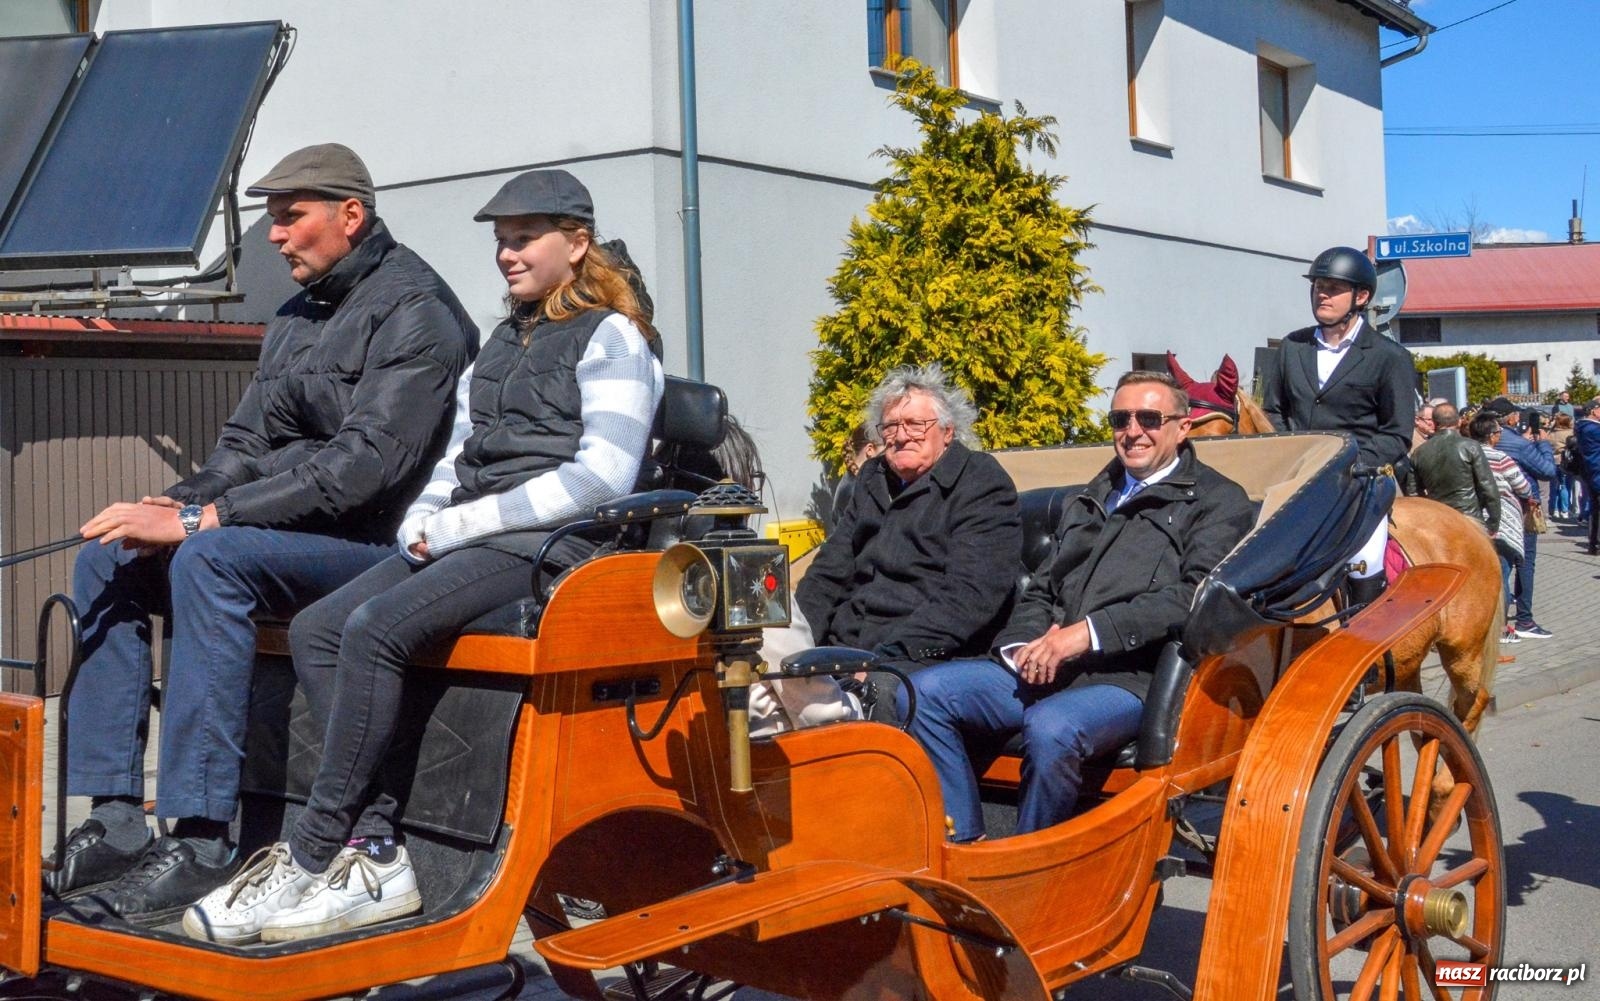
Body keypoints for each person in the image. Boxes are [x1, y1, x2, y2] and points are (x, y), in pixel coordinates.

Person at [182, 169, 664, 943]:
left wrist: (464, 524)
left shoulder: (613, 337)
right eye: (501, 242)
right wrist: (426, 515)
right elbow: (459, 451)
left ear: (576, 244)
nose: (507, 255)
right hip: (473, 531)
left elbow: (601, 475)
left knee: (373, 629)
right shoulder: (506, 336)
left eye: (524, 239)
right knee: (316, 629)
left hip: (549, 547)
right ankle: (373, 847)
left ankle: (313, 852)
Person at [53, 144, 479, 924]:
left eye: (291, 217)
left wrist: (199, 520)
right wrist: (173, 501)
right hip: (287, 534)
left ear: (350, 216)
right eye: (273, 219)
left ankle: (203, 836)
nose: (276, 236)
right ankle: (114, 817)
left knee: (211, 556)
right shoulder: (295, 316)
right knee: (107, 555)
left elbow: (367, 470)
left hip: (377, 547)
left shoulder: (420, 312)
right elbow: (242, 450)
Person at [904, 371, 1254, 841]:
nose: (1133, 431)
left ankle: (1032, 861)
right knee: (922, 692)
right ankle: (966, 844)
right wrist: (1021, 647)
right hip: (1052, 665)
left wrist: (1084, 634)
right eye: (1120, 418)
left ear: (1182, 426)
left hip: (1134, 677)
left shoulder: (1217, 501)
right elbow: (1042, 589)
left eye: (1150, 418)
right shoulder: (1091, 497)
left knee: (1052, 726)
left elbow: (1190, 595)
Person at [794, 364, 1021, 725]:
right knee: (766, 673)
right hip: (848, 648)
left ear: (947, 431)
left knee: (880, 696)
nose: (901, 436)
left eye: (915, 424)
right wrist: (798, 643)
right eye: (890, 427)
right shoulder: (872, 478)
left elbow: (969, 598)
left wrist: (885, 660)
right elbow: (827, 573)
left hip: (923, 656)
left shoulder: (980, 482)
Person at [1260, 246, 1416, 608]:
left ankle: (1366, 647)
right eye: (1318, 286)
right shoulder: (1291, 347)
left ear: (1361, 296)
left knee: (1365, 563)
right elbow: (1273, 410)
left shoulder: (1388, 357)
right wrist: (1293, 455)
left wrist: (1344, 465)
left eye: (1333, 288)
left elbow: (1396, 433)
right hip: (1296, 479)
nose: (1322, 294)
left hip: (1358, 485)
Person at [1482, 398, 1556, 638]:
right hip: (1519, 508)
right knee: (1523, 563)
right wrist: (1543, 444)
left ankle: (1497, 621)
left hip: (1485, 510)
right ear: (1510, 418)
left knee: (1498, 566)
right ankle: (1524, 619)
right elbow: (1547, 470)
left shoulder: (1473, 442)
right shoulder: (1516, 444)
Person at [1466, 413, 1531, 645]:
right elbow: (1523, 487)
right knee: (1500, 573)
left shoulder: (1465, 455)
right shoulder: (1500, 457)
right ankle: (1500, 628)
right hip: (1499, 523)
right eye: (1498, 433)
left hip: (1470, 520)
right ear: (1492, 436)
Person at [1405, 403, 1499, 535]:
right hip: (1469, 519)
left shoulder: (1419, 452)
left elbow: (1413, 495)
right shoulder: (1470, 446)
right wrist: (1493, 523)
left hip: (1438, 520)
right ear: (1459, 421)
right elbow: (1488, 487)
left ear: (1435, 423)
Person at [1573, 405, 1600, 555]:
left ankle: (1594, 544)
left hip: (1591, 473)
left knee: (1596, 510)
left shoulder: (1583, 426)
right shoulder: (1592, 429)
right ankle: (1596, 544)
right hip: (1597, 472)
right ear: (1594, 410)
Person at [1547, 413, 1575, 520]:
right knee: (1565, 486)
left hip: (1553, 461)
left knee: (1554, 487)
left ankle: (1554, 509)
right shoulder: (1570, 433)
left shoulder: (1551, 433)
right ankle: (1564, 510)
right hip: (1565, 462)